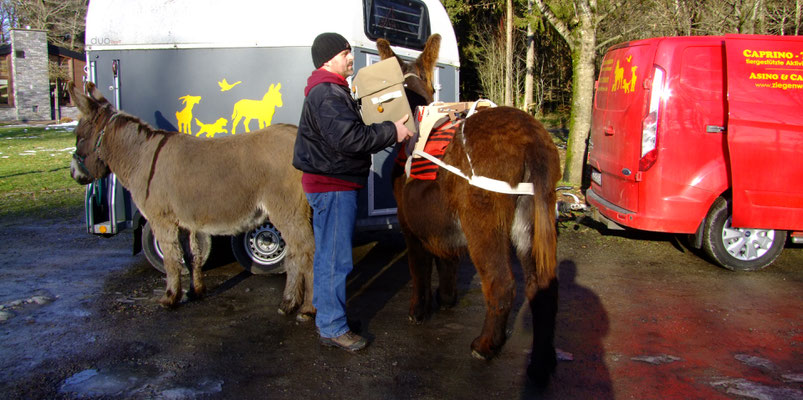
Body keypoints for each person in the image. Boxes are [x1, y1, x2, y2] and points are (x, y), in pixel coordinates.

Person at [292, 32, 413, 352]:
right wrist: (394, 131)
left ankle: (329, 314)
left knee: (328, 255)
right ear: (329, 58)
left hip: (332, 183)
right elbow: (350, 139)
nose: (351, 58)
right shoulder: (328, 94)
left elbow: (348, 133)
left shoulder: (331, 91)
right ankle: (332, 326)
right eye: (345, 53)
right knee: (336, 258)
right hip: (333, 186)